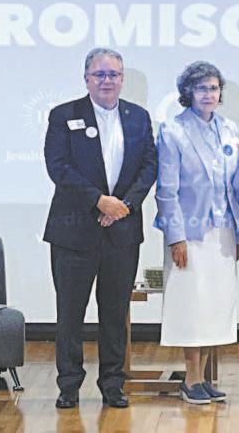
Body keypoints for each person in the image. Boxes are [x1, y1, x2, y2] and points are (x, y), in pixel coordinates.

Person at [43, 48, 157, 409]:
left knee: (115, 314)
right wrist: (99, 201)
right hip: (73, 232)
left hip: (122, 231)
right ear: (86, 78)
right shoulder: (64, 115)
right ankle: (69, 386)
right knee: (70, 314)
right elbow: (58, 167)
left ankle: (112, 384)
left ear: (122, 79)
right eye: (99, 74)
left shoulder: (138, 117)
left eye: (113, 74)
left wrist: (124, 205)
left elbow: (149, 167)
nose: (107, 81)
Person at [154, 61, 239, 405]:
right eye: (201, 88)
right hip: (190, 233)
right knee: (192, 305)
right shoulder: (173, 130)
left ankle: (203, 377)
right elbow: (166, 189)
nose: (208, 94)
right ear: (188, 93)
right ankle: (191, 378)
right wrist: (175, 236)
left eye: (213, 88)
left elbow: (236, 186)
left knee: (215, 306)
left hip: (223, 231)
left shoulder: (228, 128)